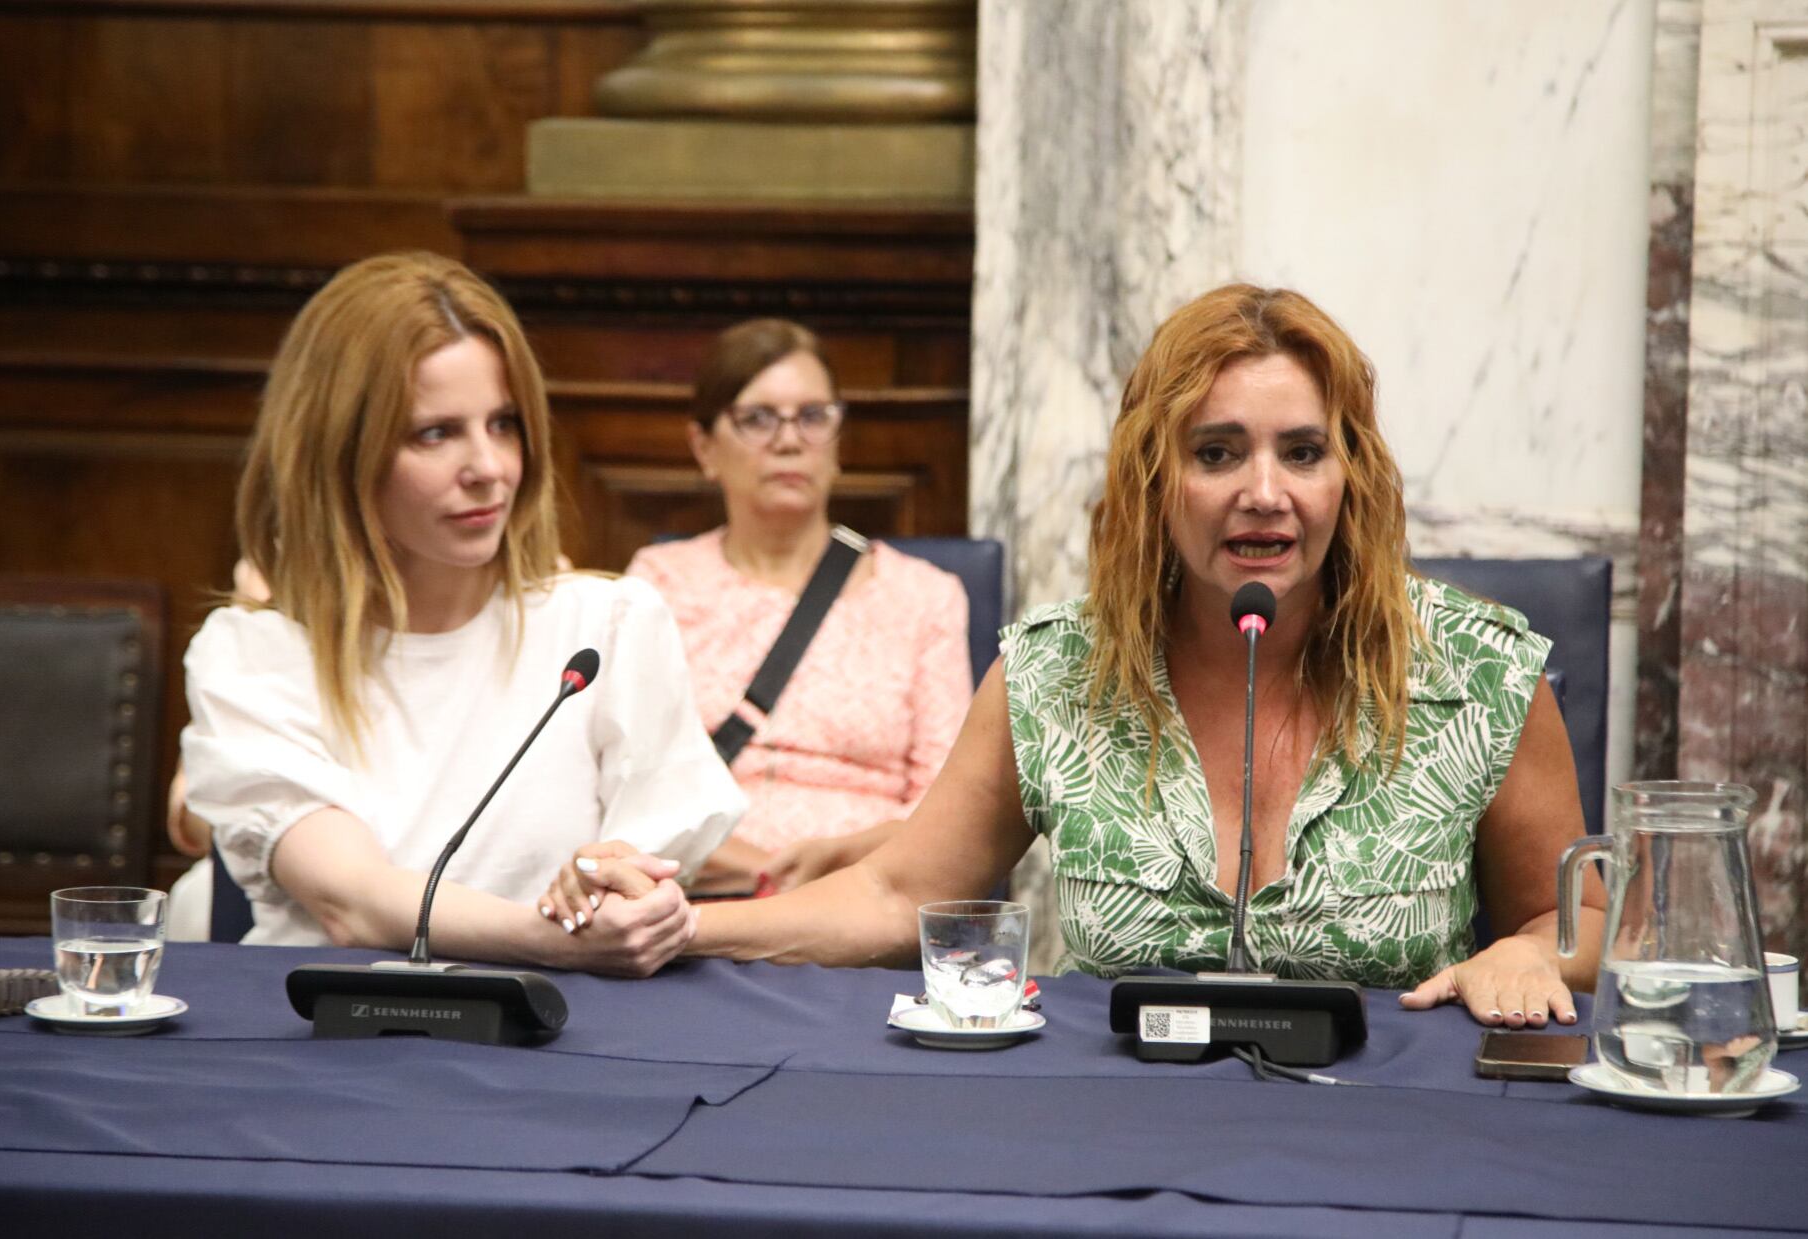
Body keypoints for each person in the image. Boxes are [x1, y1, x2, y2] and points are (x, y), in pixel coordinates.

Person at [568, 283, 1607, 1024]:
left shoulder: (1474, 671)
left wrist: (1524, 951)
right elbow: (894, 897)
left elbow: (1574, 917)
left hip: (1389, 1123)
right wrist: (679, 927)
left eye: (1301, 452)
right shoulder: (1057, 672)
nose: (1263, 491)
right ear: (1155, 482)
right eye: (1214, 453)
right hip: (1116, 1112)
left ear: (1352, 480)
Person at [181, 251, 743, 974]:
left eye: (503, 423)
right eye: (435, 433)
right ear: (339, 452)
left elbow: (640, 880)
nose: (489, 466)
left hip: (557, 1043)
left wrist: (613, 887)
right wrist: (557, 940)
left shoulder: (605, 629)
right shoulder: (251, 654)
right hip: (322, 1046)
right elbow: (352, 903)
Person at [625, 319, 973, 895]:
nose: (789, 441)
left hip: (866, 906)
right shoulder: (658, 584)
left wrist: (838, 870)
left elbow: (950, 811)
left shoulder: (926, 597)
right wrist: (770, 877)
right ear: (704, 447)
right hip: (692, 906)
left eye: (813, 417)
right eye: (757, 419)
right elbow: (631, 786)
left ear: (838, 443)